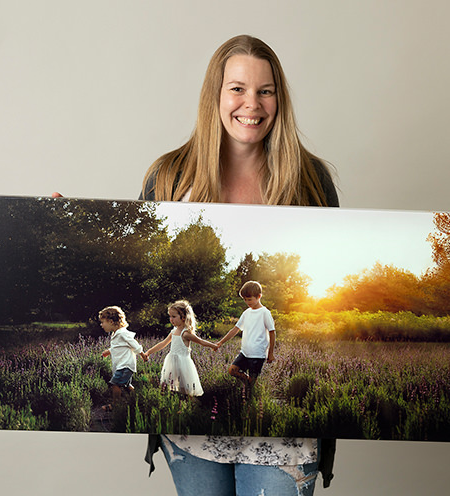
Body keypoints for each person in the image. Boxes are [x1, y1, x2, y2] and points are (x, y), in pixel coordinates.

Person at [141, 34, 338, 496]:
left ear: (279, 99)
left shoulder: (311, 180)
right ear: (216, 94)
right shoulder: (169, 177)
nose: (252, 103)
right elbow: (147, 253)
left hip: (283, 445)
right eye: (237, 88)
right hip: (193, 437)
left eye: (265, 91)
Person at [142, 300, 219, 396]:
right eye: (170, 316)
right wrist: (149, 352)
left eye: (173, 316)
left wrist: (213, 346)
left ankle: (189, 405)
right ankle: (168, 403)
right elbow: (163, 343)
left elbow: (201, 341)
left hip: (183, 364)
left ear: (183, 317)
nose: (171, 319)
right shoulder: (173, 331)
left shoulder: (185, 334)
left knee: (185, 388)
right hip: (171, 361)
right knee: (166, 384)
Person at [218, 281, 275, 388]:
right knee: (232, 370)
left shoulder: (264, 312)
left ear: (259, 296)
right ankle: (249, 382)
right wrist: (221, 342)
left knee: (251, 385)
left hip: (257, 354)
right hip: (245, 352)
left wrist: (270, 353)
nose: (247, 302)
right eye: (245, 299)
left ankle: (251, 396)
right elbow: (235, 329)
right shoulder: (246, 313)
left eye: (250, 299)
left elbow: (272, 332)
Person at [98, 305, 145, 411]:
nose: (101, 325)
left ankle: (116, 405)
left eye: (103, 322)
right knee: (127, 386)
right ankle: (137, 400)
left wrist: (142, 355)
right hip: (122, 365)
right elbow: (119, 346)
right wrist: (109, 351)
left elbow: (134, 344)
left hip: (125, 365)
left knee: (115, 384)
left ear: (110, 321)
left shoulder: (123, 333)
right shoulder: (116, 334)